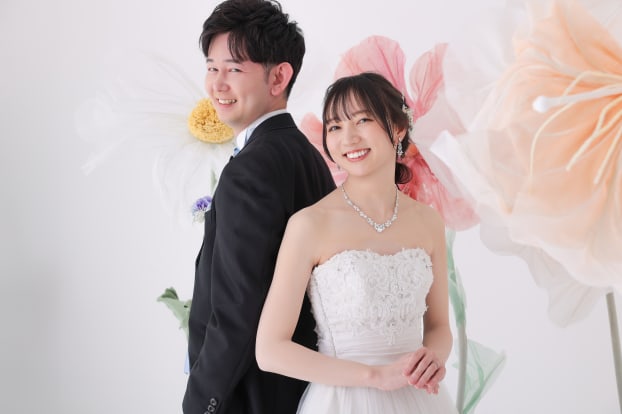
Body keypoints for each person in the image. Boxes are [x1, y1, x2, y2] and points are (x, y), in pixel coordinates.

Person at [256, 72, 458, 413]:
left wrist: (433, 358)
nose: (348, 138)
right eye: (335, 126)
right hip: (343, 401)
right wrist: (375, 376)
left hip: (420, 400)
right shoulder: (310, 224)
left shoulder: (428, 221)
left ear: (398, 128)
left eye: (362, 120)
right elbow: (270, 350)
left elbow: (439, 327)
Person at [182, 1, 336, 413]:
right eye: (211, 68)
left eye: (233, 69)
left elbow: (238, 308)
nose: (216, 84)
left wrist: (200, 403)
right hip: (300, 391)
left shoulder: (251, 168)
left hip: (250, 397)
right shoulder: (306, 155)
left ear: (279, 77)